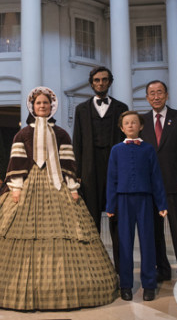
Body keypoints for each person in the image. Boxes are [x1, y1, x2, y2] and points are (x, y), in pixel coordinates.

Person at [0, 86, 117, 310]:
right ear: (32, 106)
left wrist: (72, 187)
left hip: (57, 184)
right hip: (28, 182)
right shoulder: (23, 133)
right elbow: (16, 160)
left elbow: (68, 162)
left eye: (45, 103)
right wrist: (15, 187)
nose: (42, 106)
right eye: (38, 103)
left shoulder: (62, 133)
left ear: (51, 106)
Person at [107, 111, 168, 302]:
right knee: (124, 242)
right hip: (123, 200)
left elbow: (156, 177)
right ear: (121, 127)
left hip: (145, 199)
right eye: (127, 123)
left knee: (148, 241)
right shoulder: (116, 150)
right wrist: (110, 204)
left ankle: (149, 284)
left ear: (141, 126)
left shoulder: (148, 149)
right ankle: (125, 285)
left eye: (134, 122)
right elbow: (111, 179)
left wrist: (161, 202)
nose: (131, 125)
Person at [72, 66, 127, 271]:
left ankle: (121, 266)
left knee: (118, 219)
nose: (101, 83)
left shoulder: (122, 108)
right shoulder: (81, 109)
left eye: (104, 80)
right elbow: (77, 141)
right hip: (89, 168)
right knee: (91, 218)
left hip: (115, 168)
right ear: (92, 83)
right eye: (97, 80)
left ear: (110, 82)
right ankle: (94, 266)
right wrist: (77, 173)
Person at [141, 80, 177, 281]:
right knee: (154, 230)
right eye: (152, 93)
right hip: (150, 185)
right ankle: (161, 269)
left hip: (175, 182)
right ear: (147, 97)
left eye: (160, 92)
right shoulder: (141, 121)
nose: (156, 97)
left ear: (166, 95)